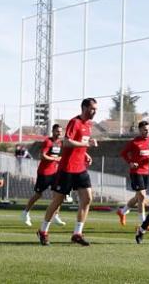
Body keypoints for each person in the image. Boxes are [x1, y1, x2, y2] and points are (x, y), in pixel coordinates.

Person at [37, 98, 98, 246]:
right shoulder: (74, 122)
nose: (94, 111)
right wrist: (86, 144)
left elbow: (79, 146)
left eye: (96, 109)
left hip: (80, 169)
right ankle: (43, 231)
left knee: (87, 199)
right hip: (67, 169)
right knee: (57, 202)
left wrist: (85, 154)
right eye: (92, 109)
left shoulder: (88, 125)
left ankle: (77, 233)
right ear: (84, 108)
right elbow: (67, 142)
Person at [21, 124, 66, 227]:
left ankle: (55, 216)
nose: (59, 133)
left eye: (60, 131)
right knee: (38, 194)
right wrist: (55, 159)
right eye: (57, 131)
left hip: (55, 173)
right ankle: (25, 213)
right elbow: (43, 156)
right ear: (52, 131)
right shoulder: (48, 142)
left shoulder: (60, 143)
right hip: (44, 173)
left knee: (59, 194)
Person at [117, 120, 149, 227]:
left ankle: (122, 212)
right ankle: (143, 223)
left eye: (148, 130)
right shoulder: (134, 142)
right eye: (144, 130)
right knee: (142, 196)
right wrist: (130, 162)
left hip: (146, 172)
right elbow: (123, 153)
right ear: (139, 130)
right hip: (136, 172)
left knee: (138, 197)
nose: (147, 132)